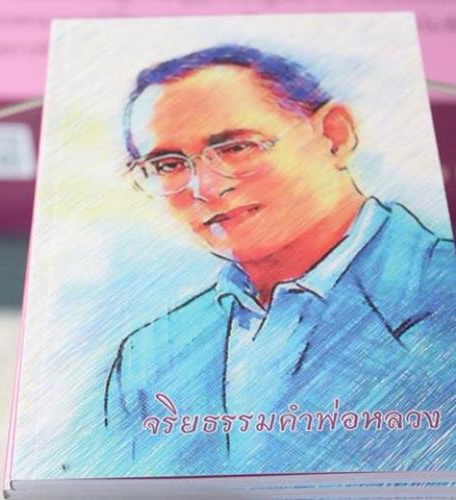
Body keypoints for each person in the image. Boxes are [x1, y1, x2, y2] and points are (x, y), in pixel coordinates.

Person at [104, 45, 455, 476]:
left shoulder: (443, 293)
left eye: (236, 147)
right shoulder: (151, 354)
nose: (205, 187)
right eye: (167, 165)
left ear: (333, 137)